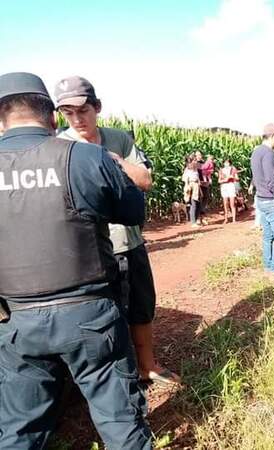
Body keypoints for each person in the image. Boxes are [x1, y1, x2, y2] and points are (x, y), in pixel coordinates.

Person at [0, 72, 152, 449]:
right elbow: (133, 210)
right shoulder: (84, 157)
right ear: (52, 117)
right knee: (120, 422)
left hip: (17, 321)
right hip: (91, 316)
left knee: (19, 430)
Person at [54, 75, 180, 386]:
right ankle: (115, 377)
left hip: (128, 241)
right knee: (102, 316)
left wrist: (115, 162)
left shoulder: (119, 140)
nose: (77, 119)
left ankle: (147, 364)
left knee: (140, 305)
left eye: (83, 110)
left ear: (97, 107)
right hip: (85, 250)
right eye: (68, 113)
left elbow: (146, 180)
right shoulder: (57, 146)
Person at [250, 123, 274, 280]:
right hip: (272, 200)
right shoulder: (268, 154)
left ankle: (268, 266)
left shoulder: (256, 152)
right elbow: (272, 180)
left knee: (268, 235)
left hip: (261, 200)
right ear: (273, 136)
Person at [182, 154, 202, 227]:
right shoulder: (188, 169)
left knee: (198, 203)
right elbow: (185, 179)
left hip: (197, 185)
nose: (196, 161)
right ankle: (193, 222)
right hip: (191, 186)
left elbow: (197, 177)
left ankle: (196, 220)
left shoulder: (195, 168)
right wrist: (187, 187)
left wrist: (199, 183)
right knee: (193, 204)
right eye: (195, 160)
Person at [218, 158, 239, 224]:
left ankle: (234, 219)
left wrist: (233, 178)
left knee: (232, 203)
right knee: (225, 203)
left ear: (230, 163)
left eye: (227, 162)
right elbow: (219, 181)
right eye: (225, 162)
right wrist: (225, 180)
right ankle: (226, 219)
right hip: (224, 186)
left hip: (231, 185)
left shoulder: (233, 169)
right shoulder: (221, 170)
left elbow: (237, 178)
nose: (226, 164)